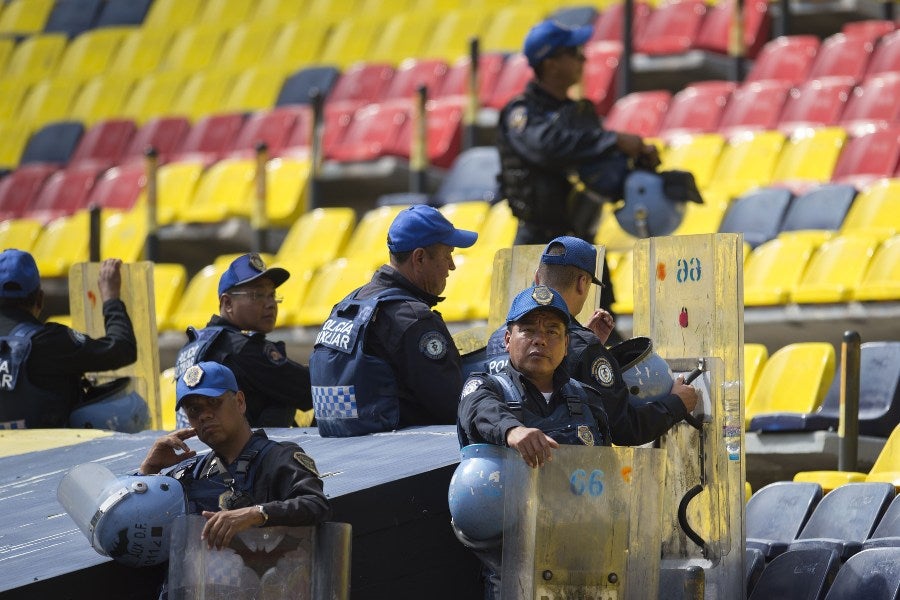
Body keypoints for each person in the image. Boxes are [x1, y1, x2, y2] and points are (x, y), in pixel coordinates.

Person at [456, 284, 698, 598]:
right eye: (527, 330)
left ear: (567, 343)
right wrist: (512, 432)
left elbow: (609, 480)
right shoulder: (486, 389)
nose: (540, 339)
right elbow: (478, 410)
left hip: (586, 565)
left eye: (553, 331)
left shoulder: (588, 399)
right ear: (507, 339)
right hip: (514, 575)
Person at [496, 18, 663, 322]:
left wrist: (637, 160)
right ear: (550, 62)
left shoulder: (579, 115)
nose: (583, 59)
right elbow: (547, 146)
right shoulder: (522, 113)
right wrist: (613, 140)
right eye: (574, 53)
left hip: (583, 244)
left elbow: (602, 167)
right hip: (538, 244)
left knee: (601, 331)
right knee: (533, 330)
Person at [481, 236, 698, 440]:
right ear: (582, 283)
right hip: (558, 467)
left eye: (554, 333)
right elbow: (622, 427)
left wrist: (581, 340)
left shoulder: (502, 336)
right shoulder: (584, 346)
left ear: (538, 277)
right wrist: (677, 403)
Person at [309, 205, 478, 437]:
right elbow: (454, 407)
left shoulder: (347, 306)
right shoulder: (413, 319)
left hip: (340, 454)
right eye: (447, 254)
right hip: (404, 462)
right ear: (419, 258)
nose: (452, 265)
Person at [139, 361, 330, 551]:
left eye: (213, 403)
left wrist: (256, 514)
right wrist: (149, 470)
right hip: (198, 579)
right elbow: (141, 525)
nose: (204, 416)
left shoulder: (278, 458)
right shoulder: (192, 471)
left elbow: (315, 504)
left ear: (239, 402)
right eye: (194, 410)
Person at [0, 250, 137, 429]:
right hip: (53, 455)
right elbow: (122, 348)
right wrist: (111, 300)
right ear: (40, 299)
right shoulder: (49, 341)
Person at [174, 253, 312, 428]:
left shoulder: (193, 344)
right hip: (242, 454)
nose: (270, 304)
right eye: (258, 295)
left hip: (192, 449)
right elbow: (311, 391)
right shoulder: (242, 348)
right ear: (228, 303)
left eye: (272, 295)